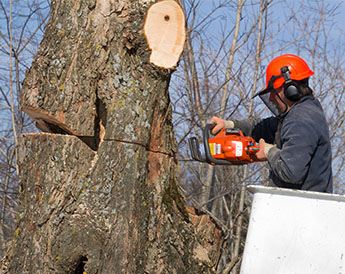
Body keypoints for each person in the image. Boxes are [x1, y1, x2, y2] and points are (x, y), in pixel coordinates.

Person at [210, 54, 333, 193]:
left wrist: (269, 152)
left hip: (303, 208)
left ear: (290, 90)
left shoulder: (301, 121)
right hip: (301, 205)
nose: (270, 98)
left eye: (273, 91)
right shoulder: (302, 113)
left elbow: (290, 172)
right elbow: (265, 127)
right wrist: (230, 125)